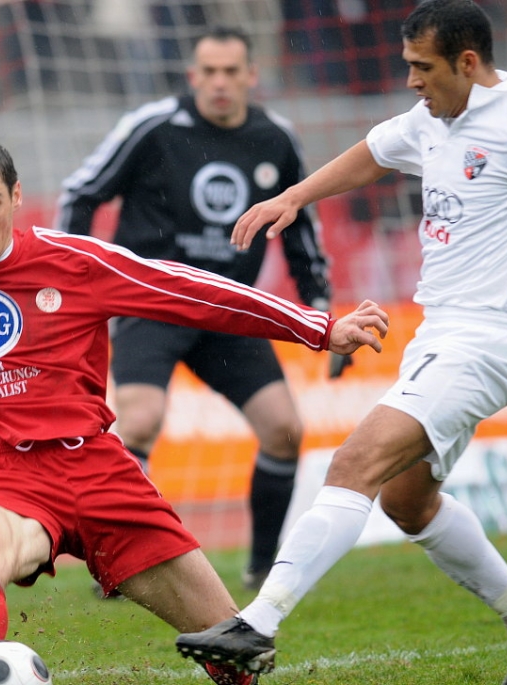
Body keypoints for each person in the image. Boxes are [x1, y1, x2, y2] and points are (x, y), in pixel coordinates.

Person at [0, 134, 388, 685]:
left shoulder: (74, 262)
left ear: (18, 196)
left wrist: (319, 327)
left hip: (101, 470)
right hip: (7, 476)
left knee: (234, 649)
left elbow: (190, 291)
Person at [175, 2, 507, 684]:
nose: (410, 81)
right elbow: (374, 152)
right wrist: (294, 198)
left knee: (354, 462)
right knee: (407, 500)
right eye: (406, 66)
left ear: (467, 63)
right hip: (437, 337)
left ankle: (259, 622)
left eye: (422, 68)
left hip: (486, 343)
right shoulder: (431, 120)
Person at [54, 26, 344, 591]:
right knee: (138, 419)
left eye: (231, 72)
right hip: (150, 303)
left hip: (227, 312)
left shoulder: (275, 138)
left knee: (284, 429)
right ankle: (119, 563)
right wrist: (74, 282)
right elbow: (80, 193)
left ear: (250, 77)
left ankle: (263, 568)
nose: (219, 83)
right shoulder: (154, 125)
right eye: (208, 72)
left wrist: (321, 307)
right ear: (192, 77)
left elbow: (300, 228)